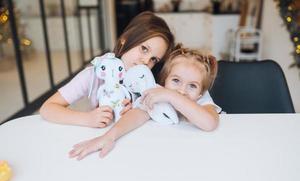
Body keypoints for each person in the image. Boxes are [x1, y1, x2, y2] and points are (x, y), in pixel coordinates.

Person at [69, 45, 221, 160]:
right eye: (176, 80)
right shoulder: (158, 92)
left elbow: (210, 124)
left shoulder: (201, 99)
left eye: (192, 86)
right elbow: (138, 113)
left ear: (201, 92)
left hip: (202, 153)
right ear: (165, 80)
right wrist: (109, 136)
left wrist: (172, 96)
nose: (182, 91)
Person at [39, 11, 175, 128]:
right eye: (144, 49)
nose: (146, 61)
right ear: (125, 39)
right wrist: (87, 119)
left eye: (154, 59)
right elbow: (47, 108)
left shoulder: (147, 83)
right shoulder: (94, 75)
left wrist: (138, 110)